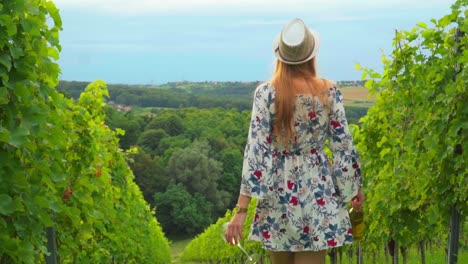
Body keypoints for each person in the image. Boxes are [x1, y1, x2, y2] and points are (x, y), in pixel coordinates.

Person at [225, 18, 364, 264]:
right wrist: (353, 188)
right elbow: (343, 146)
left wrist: (242, 210)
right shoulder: (328, 92)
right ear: (311, 54)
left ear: (281, 56)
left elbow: (256, 152)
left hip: (277, 194)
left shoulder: (266, 93)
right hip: (318, 190)